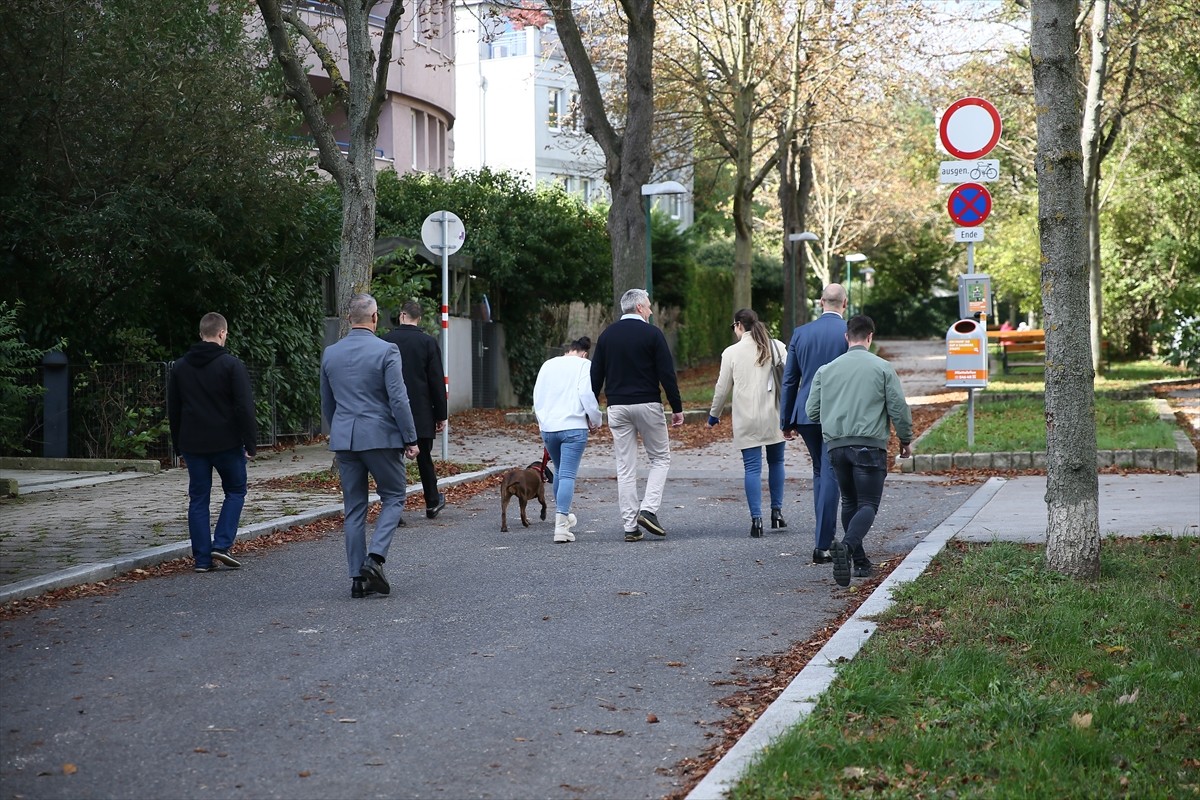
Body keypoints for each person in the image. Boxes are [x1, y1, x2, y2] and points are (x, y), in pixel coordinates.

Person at [320, 293, 420, 599]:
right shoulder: (387, 350)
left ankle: (357, 580)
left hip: (345, 440)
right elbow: (398, 399)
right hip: (379, 437)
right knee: (393, 495)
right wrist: (410, 438)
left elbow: (327, 403)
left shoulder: (330, 354)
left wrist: (338, 430)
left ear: (349, 319)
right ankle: (375, 559)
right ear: (375, 318)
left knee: (354, 509)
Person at [805, 315, 912, 587]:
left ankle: (861, 561)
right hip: (869, 445)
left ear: (846, 337)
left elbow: (812, 411)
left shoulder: (826, 370)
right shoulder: (882, 368)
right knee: (868, 504)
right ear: (870, 337)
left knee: (850, 502)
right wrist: (905, 438)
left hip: (837, 447)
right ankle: (849, 548)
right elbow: (898, 407)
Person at [590, 288, 684, 542]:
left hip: (617, 407)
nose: (652, 310)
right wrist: (676, 407)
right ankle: (649, 509)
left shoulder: (607, 336)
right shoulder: (652, 334)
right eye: (650, 306)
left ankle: (630, 526)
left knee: (625, 466)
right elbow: (667, 374)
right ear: (640, 308)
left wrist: (591, 411)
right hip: (647, 404)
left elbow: (595, 377)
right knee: (660, 459)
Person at [167, 312, 257, 573]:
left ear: (200, 334)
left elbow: (174, 409)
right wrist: (250, 443)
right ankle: (222, 543)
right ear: (222, 333)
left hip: (193, 444)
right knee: (236, 491)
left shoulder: (181, 367)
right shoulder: (231, 365)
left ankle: (202, 560)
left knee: (198, 499)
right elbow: (244, 407)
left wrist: (177, 445)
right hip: (227, 442)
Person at [779, 284, 849, 564]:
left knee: (820, 470)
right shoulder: (849, 333)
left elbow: (790, 379)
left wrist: (786, 419)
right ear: (844, 303)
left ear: (821, 302)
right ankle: (822, 543)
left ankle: (824, 535)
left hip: (806, 412)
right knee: (830, 470)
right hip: (839, 411)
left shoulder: (801, 333)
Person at [707, 309, 789, 538]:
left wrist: (714, 414)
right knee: (777, 462)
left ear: (738, 326)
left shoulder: (731, 352)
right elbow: (790, 379)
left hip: (746, 418)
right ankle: (777, 512)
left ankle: (757, 519)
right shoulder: (777, 346)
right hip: (774, 414)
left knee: (752, 468)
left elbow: (722, 388)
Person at [532, 337, 603, 544]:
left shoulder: (548, 365)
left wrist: (543, 423)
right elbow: (586, 395)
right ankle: (561, 525)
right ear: (584, 353)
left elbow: (538, 396)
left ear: (568, 350)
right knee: (568, 475)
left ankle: (564, 516)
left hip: (550, 428)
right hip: (574, 427)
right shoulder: (584, 365)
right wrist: (596, 419)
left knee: (561, 473)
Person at [382, 300, 448, 519]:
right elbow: (436, 381)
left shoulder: (386, 341)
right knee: (424, 458)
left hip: (391, 412)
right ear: (418, 318)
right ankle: (431, 502)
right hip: (420, 413)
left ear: (401, 315)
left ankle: (394, 510)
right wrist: (441, 415)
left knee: (393, 461)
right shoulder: (428, 342)